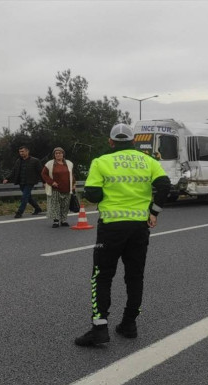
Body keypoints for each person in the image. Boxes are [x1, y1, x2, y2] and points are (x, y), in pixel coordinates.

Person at [74, 124, 171, 347]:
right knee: (135, 276)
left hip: (111, 227)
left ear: (111, 142)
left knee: (102, 276)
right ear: (133, 141)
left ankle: (99, 329)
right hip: (139, 227)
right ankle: (129, 324)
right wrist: (154, 211)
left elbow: (93, 194)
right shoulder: (148, 161)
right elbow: (164, 184)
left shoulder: (101, 162)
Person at [3, 145, 43, 218]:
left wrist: (45, 182)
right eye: (20, 152)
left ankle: (19, 212)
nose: (21, 153)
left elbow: (41, 172)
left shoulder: (35, 161)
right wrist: (7, 178)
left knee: (24, 197)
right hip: (21, 182)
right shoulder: (18, 161)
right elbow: (14, 171)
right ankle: (38, 209)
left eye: (22, 151)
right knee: (28, 197)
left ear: (27, 151)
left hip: (30, 182)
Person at [41, 147, 75, 228]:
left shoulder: (69, 163)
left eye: (60, 153)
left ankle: (64, 220)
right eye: (56, 153)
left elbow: (72, 175)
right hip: (55, 188)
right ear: (54, 155)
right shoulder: (49, 164)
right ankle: (56, 221)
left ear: (63, 154)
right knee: (55, 205)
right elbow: (43, 174)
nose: (58, 155)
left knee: (65, 205)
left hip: (67, 188)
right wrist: (52, 182)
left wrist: (74, 184)